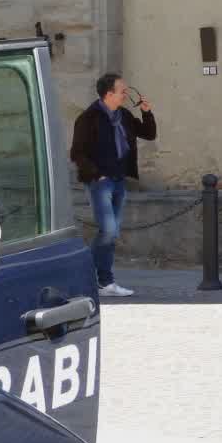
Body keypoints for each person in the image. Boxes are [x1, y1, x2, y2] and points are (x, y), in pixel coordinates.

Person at [70, 73, 158, 297]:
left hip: (119, 180)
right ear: (109, 94)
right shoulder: (88, 118)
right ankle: (96, 278)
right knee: (108, 230)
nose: (126, 94)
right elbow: (77, 153)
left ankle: (100, 281)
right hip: (100, 183)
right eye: (122, 91)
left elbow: (149, 134)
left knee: (111, 232)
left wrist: (146, 112)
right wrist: (96, 174)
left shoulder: (125, 115)